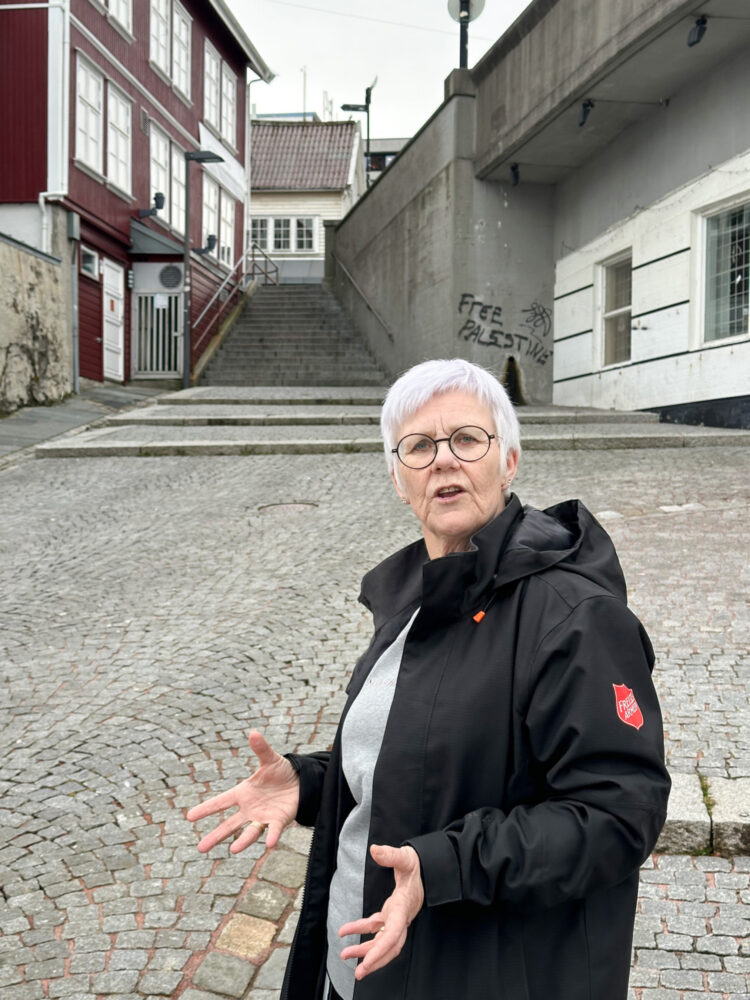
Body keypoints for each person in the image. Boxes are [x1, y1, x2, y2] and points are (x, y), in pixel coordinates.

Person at [187, 358, 670, 1000]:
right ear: (397, 478)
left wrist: (446, 864)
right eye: (418, 446)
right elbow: (426, 758)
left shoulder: (576, 618)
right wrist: (311, 785)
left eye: (467, 439)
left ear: (511, 460)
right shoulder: (415, 598)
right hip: (359, 965)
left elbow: (618, 815)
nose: (443, 460)